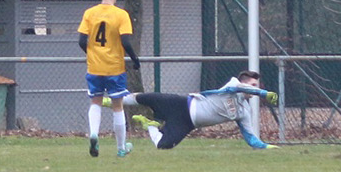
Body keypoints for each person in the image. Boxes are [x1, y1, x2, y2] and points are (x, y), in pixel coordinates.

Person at [111, 70, 279, 150]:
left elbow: (251, 139)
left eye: (258, 86)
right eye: (253, 85)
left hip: (188, 123)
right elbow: (243, 88)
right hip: (183, 104)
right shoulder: (233, 85)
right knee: (146, 98)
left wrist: (266, 147)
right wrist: (264, 93)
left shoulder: (244, 113)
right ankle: (113, 100)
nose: (255, 88)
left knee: (163, 146)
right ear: (244, 83)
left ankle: (150, 125)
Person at [78, 0, 141, 157]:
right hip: (114, 67)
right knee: (117, 106)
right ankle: (121, 148)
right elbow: (126, 42)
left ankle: (94, 134)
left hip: (95, 67)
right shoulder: (121, 15)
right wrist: (135, 60)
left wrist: (92, 54)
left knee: (95, 102)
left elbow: (82, 40)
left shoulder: (90, 13)